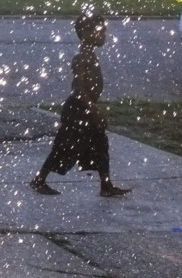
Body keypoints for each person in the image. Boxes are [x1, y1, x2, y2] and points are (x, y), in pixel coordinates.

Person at [30, 12, 131, 198]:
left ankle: (106, 185)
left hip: (85, 109)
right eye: (100, 32)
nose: (104, 36)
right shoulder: (82, 57)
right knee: (64, 147)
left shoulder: (89, 55)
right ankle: (39, 180)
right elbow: (79, 89)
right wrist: (93, 109)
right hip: (78, 110)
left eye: (104, 31)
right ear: (85, 33)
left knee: (100, 146)